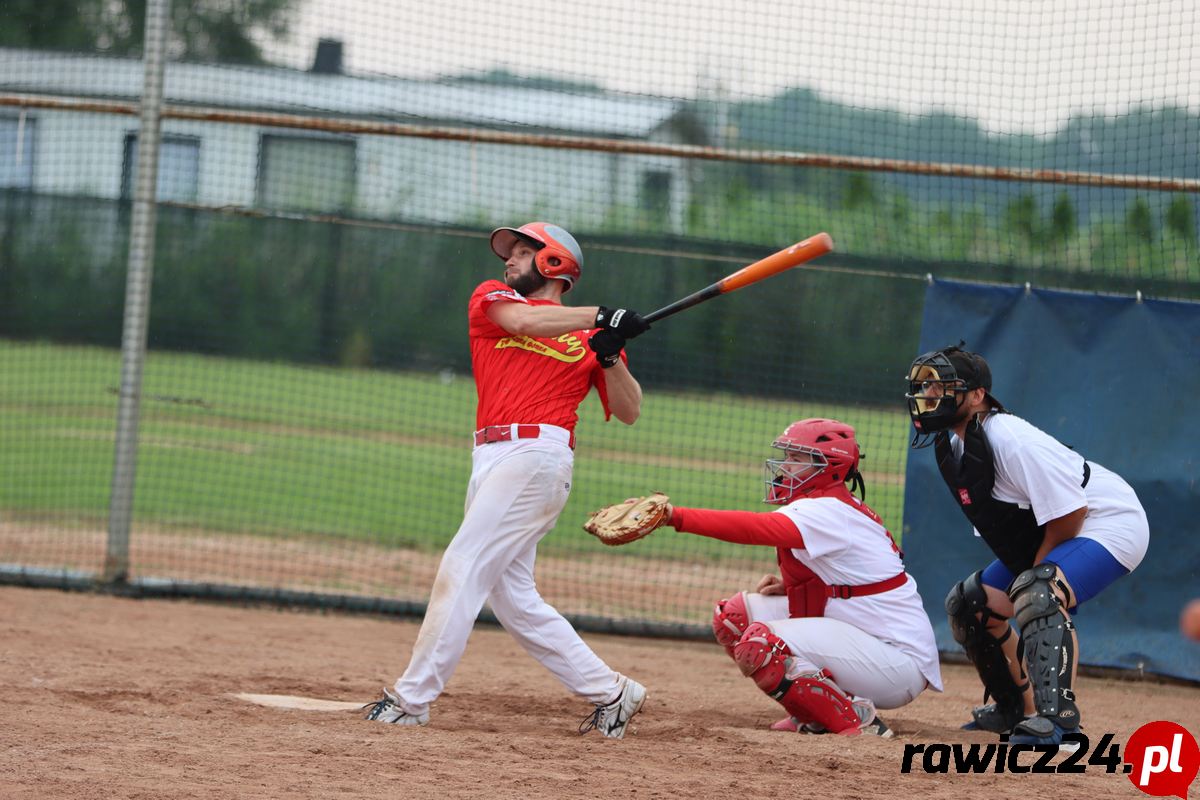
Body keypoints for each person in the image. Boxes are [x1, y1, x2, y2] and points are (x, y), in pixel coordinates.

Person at [364, 222, 652, 738]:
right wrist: (600, 315)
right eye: (511, 252)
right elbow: (523, 322)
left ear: (554, 263)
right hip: (492, 455)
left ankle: (411, 699)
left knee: (464, 563)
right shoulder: (493, 299)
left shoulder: (592, 336)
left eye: (522, 252)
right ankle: (611, 691)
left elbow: (629, 410)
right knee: (512, 597)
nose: (509, 260)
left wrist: (609, 354)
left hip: (537, 454)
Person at [906, 344, 1149, 746]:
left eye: (942, 388)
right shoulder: (953, 445)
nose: (930, 398)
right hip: (1065, 522)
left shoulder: (1010, 438)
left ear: (977, 395)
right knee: (969, 606)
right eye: (925, 390)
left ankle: (1059, 724)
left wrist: (1033, 580)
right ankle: (1016, 709)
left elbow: (1071, 513)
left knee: (1037, 593)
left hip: (1109, 521)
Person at [662, 418, 943, 737]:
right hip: (865, 637)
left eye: (797, 458)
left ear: (827, 466)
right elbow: (856, 577)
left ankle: (857, 721)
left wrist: (675, 517)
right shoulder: (825, 504)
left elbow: (756, 529)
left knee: (761, 642)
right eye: (787, 456)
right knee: (734, 617)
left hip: (894, 662)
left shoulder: (827, 509)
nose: (785, 465)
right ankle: (812, 713)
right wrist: (794, 584)